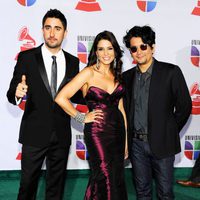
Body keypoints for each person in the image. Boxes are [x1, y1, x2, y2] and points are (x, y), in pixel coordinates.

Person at [7, 9, 83, 200]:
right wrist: (17, 94)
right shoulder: (27, 57)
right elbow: (11, 92)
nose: (52, 33)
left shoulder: (73, 62)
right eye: (48, 28)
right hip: (33, 133)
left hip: (61, 135)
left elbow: (76, 96)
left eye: (57, 28)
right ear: (42, 30)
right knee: (27, 187)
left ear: (65, 33)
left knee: (55, 189)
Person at [55, 30, 128, 200]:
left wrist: (125, 141)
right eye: (101, 49)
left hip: (118, 133)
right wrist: (81, 117)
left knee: (116, 177)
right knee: (104, 174)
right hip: (97, 132)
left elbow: (121, 109)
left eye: (109, 48)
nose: (106, 53)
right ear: (95, 51)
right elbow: (61, 98)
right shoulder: (88, 72)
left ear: (115, 51)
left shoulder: (117, 75)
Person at [122, 25, 192, 199]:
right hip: (136, 145)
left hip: (163, 143)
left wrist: (168, 130)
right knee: (142, 191)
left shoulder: (171, 72)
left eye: (143, 46)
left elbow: (185, 107)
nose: (139, 52)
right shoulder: (127, 77)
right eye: (134, 48)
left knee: (165, 193)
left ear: (152, 47)